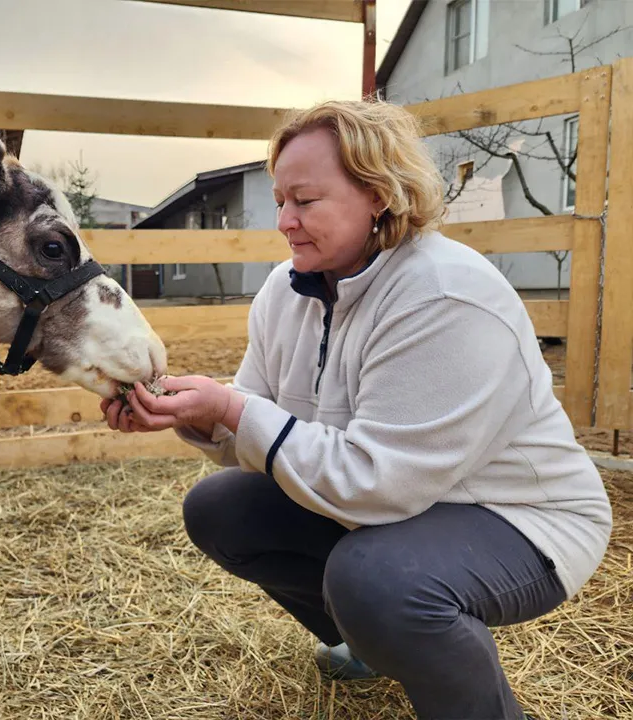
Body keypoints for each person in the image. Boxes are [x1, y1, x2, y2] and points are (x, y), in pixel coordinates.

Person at [101, 99, 612, 720]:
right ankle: (366, 642)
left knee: (378, 581)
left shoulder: (443, 295)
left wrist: (236, 409)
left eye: (306, 201)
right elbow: (258, 423)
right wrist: (199, 415)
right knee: (221, 507)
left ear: (379, 193)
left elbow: (378, 482)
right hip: (403, 505)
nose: (285, 221)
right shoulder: (284, 290)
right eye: (280, 199)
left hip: (517, 518)